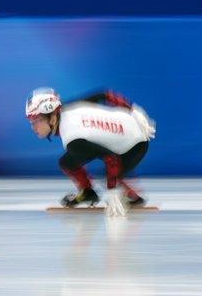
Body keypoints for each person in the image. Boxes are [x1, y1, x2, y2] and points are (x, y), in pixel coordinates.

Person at [26, 87, 156, 215]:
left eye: (36, 120)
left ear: (53, 119)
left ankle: (133, 197)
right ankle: (88, 193)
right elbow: (103, 94)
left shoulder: (73, 138)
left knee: (107, 175)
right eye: (31, 121)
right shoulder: (69, 108)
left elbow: (111, 158)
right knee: (66, 162)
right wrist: (131, 108)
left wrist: (112, 190)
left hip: (134, 146)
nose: (33, 126)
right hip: (128, 130)